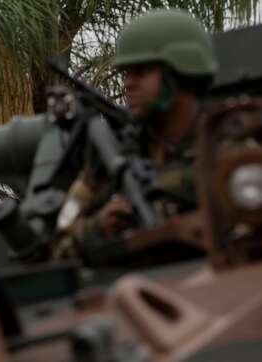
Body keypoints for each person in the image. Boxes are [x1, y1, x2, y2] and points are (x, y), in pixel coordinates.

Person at [53, 9, 218, 264]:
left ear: (180, 72)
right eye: (125, 74)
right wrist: (100, 226)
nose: (127, 84)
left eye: (140, 72)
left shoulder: (230, 139)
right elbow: (58, 248)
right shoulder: (111, 156)